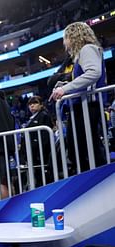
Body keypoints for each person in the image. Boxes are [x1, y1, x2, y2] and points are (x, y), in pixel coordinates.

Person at [49, 21, 107, 173]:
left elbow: (94, 73)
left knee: (86, 149)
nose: (65, 43)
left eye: (65, 38)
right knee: (80, 148)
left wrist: (65, 88)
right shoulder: (84, 52)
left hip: (88, 106)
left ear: (73, 36)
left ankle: (97, 182)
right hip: (82, 107)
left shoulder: (87, 49)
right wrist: (65, 83)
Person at [22, 96, 55, 186]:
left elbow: (45, 137)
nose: (32, 106)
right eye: (30, 104)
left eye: (35, 103)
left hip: (40, 153)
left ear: (41, 105)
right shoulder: (31, 118)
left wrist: (41, 152)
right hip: (33, 153)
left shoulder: (43, 116)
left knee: (43, 178)